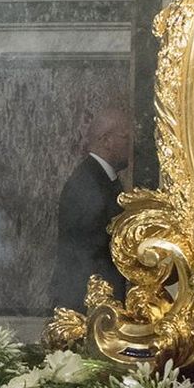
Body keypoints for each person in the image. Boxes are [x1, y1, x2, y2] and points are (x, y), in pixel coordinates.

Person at [49, 105, 131, 312]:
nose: (131, 144)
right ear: (106, 140)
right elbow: (88, 250)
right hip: (85, 301)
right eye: (125, 137)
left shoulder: (100, 178)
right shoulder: (88, 183)